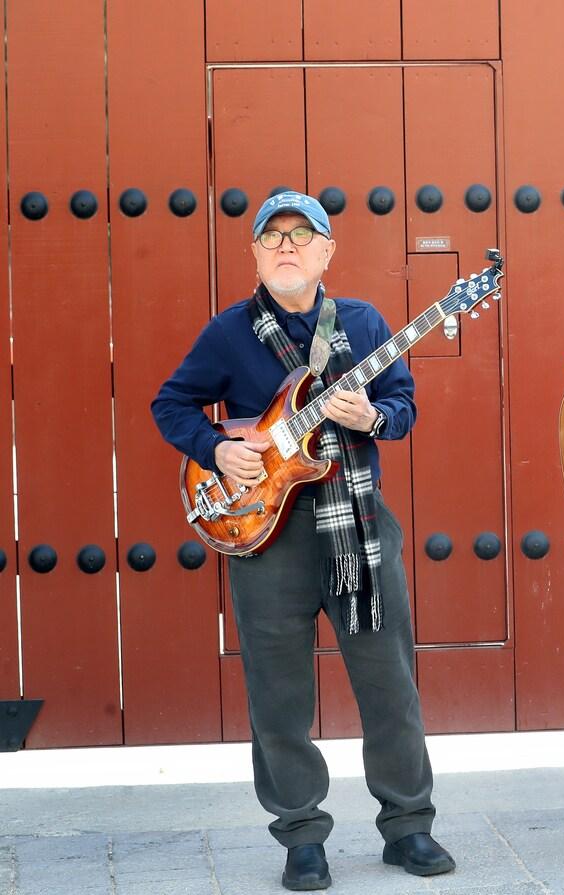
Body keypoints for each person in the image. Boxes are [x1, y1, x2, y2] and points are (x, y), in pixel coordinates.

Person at [152, 191, 454, 891]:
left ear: (327, 251)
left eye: (302, 235)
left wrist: (374, 414)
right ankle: (301, 834)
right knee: (278, 692)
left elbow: (404, 406)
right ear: (255, 253)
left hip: (357, 524)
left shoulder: (365, 323)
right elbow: (171, 403)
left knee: (389, 682)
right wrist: (215, 449)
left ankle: (408, 827)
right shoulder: (228, 333)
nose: (287, 246)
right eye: (273, 237)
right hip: (267, 535)